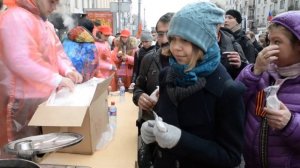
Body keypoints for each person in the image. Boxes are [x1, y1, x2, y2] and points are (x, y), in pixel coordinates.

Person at [141, 2, 246, 167]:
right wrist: (153, 130)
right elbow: (166, 120)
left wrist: (180, 140)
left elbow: (230, 156)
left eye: (185, 40)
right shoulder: (167, 75)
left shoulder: (227, 90)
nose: (176, 47)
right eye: (173, 38)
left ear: (204, 41)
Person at [0, 0, 83, 150]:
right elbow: (19, 60)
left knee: (39, 150)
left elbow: (57, 53)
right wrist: (56, 79)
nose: (54, 6)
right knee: (18, 152)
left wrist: (68, 71)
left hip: (42, 101)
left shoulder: (45, 24)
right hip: (19, 104)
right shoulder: (16, 17)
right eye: (51, 1)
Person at [236, 11, 300, 168]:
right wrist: (254, 72)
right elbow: (235, 100)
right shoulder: (263, 73)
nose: (270, 47)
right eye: (269, 41)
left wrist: (290, 123)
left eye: (277, 42)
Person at [133, 12, 174, 168]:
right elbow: (138, 87)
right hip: (150, 128)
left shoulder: (186, 60)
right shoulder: (148, 59)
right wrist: (139, 97)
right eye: (160, 34)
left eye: (168, 34)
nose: (163, 39)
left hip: (177, 132)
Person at [63, 17, 98, 82]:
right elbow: (95, 64)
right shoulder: (91, 45)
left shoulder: (67, 41)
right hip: (87, 80)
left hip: (69, 79)